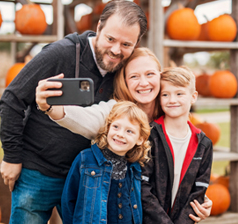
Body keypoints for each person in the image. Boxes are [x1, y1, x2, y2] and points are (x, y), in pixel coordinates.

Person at [0, 0, 147, 223]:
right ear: (98, 28)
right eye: (110, 39)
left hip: (86, 174)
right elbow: (12, 99)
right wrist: (11, 156)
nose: (116, 50)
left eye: (126, 44)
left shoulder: (125, 68)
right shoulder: (62, 54)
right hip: (38, 170)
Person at [36, 47, 212, 222]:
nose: (143, 83)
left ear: (160, 77)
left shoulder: (170, 112)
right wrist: (51, 107)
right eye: (134, 76)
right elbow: (86, 118)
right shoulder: (117, 111)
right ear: (125, 81)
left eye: (150, 74)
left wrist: (200, 199)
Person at [141, 66, 213, 223]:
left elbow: (198, 191)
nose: (172, 100)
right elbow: (143, 188)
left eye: (179, 94)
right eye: (165, 94)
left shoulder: (203, 144)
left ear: (193, 97)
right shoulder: (150, 136)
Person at [61, 101, 151, 224]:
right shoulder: (85, 159)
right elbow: (68, 201)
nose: (120, 134)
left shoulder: (135, 168)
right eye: (116, 127)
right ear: (108, 127)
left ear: (140, 139)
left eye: (129, 131)